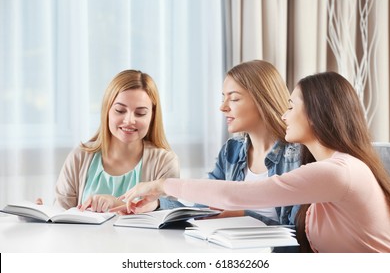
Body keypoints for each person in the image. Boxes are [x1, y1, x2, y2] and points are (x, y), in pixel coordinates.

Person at [111, 71, 390, 253]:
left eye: (291, 106)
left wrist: (161, 185)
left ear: (316, 114)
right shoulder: (331, 170)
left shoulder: (338, 172)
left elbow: (236, 195)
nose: (284, 115)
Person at [156, 60, 301, 227]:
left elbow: (301, 235)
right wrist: (158, 204)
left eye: (234, 99)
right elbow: (199, 210)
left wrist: (244, 215)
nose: (222, 107)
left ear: (263, 100)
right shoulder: (232, 150)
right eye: (223, 98)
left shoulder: (297, 156)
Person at [38, 69, 180, 212]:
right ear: (107, 111)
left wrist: (117, 204)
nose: (129, 120)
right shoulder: (79, 157)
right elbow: (60, 216)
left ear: (152, 116)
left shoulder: (164, 162)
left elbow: (171, 215)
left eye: (140, 113)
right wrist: (38, 217)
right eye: (120, 110)